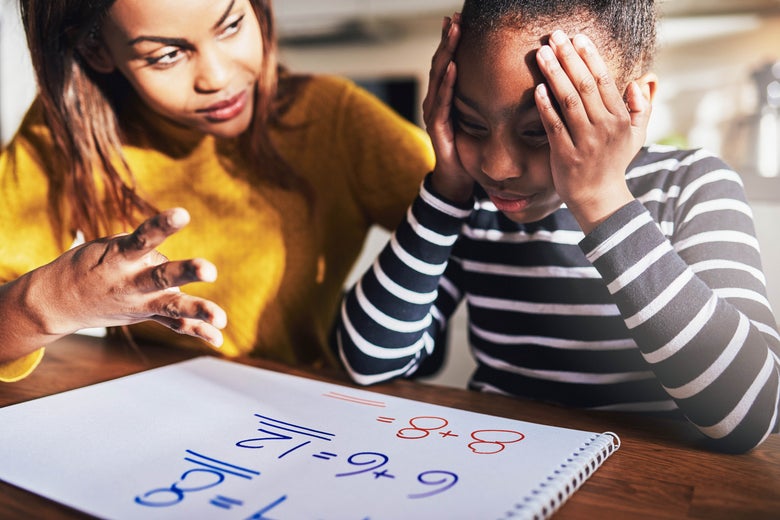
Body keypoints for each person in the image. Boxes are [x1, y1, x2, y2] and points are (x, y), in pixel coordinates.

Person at [336, 0, 780, 453]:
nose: (498, 166)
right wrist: (444, 192)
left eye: (540, 130)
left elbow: (749, 414)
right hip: (494, 463)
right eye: (471, 124)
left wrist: (601, 199)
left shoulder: (691, 185)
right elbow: (367, 361)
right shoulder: (469, 202)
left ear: (634, 103)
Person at [0, 0, 434, 382]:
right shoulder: (66, 135)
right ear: (96, 50)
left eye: (231, 26)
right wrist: (62, 300)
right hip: (151, 409)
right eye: (167, 55)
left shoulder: (334, 118)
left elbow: (473, 217)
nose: (217, 77)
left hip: (306, 416)